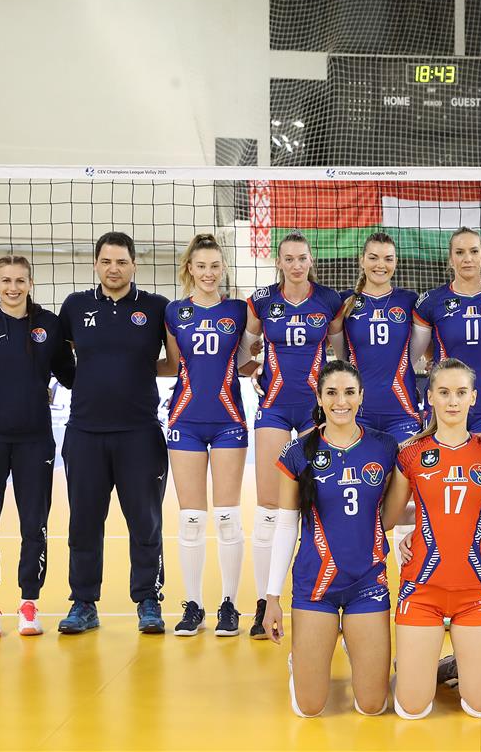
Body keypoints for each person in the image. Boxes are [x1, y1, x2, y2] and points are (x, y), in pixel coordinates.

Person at [259, 361, 400, 716]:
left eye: (349, 392)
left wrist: (414, 537)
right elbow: (286, 526)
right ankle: (302, 660)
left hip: (367, 583)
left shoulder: (384, 447)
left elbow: (391, 512)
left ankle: (357, 644)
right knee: (309, 708)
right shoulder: (297, 452)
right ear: (320, 398)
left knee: (372, 706)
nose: (341, 402)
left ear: (361, 396)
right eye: (332, 393)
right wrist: (272, 597)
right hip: (315, 585)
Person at [57, 231, 174, 634]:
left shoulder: (156, 307)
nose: (114, 268)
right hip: (85, 432)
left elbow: (174, 363)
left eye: (121, 261)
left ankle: (148, 600)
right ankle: (83, 602)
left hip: (139, 433)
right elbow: (60, 359)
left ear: (134, 265)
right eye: (106, 261)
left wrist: (135, 370)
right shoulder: (75, 306)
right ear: (96, 264)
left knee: (146, 522)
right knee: (84, 523)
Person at [381, 359, 481, 720]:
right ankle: (419, 662)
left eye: (460, 393)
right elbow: (390, 517)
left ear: (473, 397)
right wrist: (417, 531)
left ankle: (448, 663)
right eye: (444, 392)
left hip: (475, 589)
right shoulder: (411, 453)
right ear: (431, 397)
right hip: (423, 588)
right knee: (412, 708)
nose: (452, 401)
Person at [0, 255, 75, 637]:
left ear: (30, 283)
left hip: (34, 439)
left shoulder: (49, 325)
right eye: (6, 280)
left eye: (20, 281)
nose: (13, 287)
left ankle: (29, 603)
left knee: (34, 525)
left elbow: (72, 375)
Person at [243, 232, 344, 639]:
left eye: (302, 258)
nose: (296, 265)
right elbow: (244, 347)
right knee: (269, 508)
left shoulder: (329, 301)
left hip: (313, 412)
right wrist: (251, 368)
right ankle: (263, 602)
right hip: (274, 406)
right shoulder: (262, 301)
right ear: (279, 262)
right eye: (289, 258)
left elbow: (342, 355)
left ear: (310, 260)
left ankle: (325, 595)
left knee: (320, 505)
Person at [411, 228, 481, 599]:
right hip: (446, 408)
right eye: (459, 252)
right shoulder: (432, 302)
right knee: (441, 496)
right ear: (450, 258)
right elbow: (417, 355)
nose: (467, 258)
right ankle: (436, 572)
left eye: (473, 251)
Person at [163, 234, 252, 637]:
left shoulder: (238, 310)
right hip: (185, 420)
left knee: (229, 518)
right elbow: (175, 364)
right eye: (201, 266)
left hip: (229, 420)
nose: (208, 273)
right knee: (191, 519)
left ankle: (229, 605)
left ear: (223, 268)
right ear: (189, 269)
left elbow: (247, 359)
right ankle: (194, 605)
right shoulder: (174, 312)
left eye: (215, 266)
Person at [331, 232, 422, 443]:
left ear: (396, 262)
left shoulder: (410, 301)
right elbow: (319, 344)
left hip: (402, 413)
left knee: (403, 465)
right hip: (357, 412)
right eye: (373, 258)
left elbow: (430, 345)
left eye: (388, 259)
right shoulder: (344, 301)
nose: (381, 265)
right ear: (362, 260)